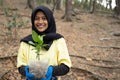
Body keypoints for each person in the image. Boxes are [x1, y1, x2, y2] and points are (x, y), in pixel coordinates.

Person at [17, 5, 72, 80]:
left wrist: (52, 71)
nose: (40, 22)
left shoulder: (58, 41)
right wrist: (26, 71)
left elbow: (66, 66)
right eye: (37, 18)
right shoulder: (26, 42)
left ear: (49, 20)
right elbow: (20, 66)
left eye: (44, 18)